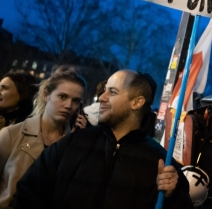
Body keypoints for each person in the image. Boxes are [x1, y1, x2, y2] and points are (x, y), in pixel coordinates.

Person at [10, 69, 193, 209]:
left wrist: (172, 196)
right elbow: (27, 195)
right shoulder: (72, 144)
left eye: (112, 92)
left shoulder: (161, 162)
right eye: (104, 91)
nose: (102, 98)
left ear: (137, 102)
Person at [0, 66, 86, 208]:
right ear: (46, 95)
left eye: (76, 100)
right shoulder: (11, 135)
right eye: (62, 96)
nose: (68, 105)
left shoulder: (74, 147)